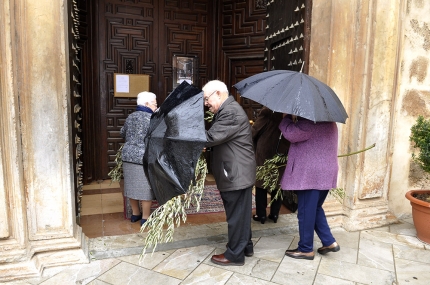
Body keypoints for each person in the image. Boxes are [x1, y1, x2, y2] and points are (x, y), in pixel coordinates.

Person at [203, 80, 256, 266]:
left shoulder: (231, 112)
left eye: (207, 98)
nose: (205, 103)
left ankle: (235, 254)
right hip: (236, 171)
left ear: (218, 93)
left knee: (236, 215)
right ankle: (245, 246)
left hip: (235, 172)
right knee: (240, 213)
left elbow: (210, 138)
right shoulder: (227, 110)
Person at [279, 115, 340, 260]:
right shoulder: (330, 121)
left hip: (311, 174)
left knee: (306, 211)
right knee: (315, 208)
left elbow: (291, 134)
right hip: (325, 173)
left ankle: (305, 249)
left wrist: (285, 118)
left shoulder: (310, 122)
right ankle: (329, 241)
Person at [120, 91, 158, 226]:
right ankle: (146, 218)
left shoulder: (130, 117)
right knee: (145, 189)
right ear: (147, 104)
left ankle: (135, 214)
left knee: (131, 187)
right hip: (143, 158)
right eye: (155, 104)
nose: (156, 106)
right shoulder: (152, 119)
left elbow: (122, 132)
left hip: (128, 156)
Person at [251, 107, 290, 224]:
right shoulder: (290, 112)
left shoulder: (267, 110)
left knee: (261, 182)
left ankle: (261, 214)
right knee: (277, 182)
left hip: (266, 149)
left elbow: (255, 130)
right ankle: (274, 214)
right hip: (282, 150)